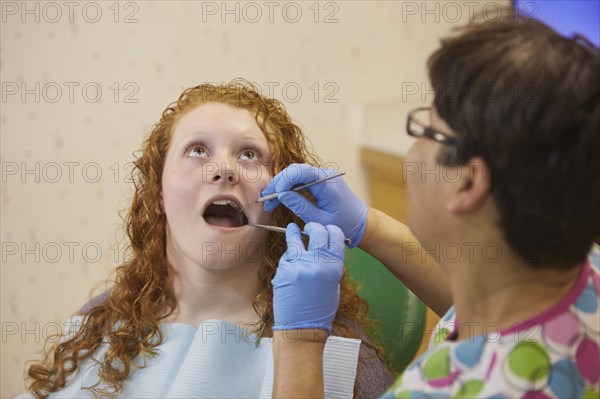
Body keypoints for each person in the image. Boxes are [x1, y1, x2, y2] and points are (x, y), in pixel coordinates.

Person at [267, 13, 600, 398]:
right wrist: (367, 226)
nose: (411, 154)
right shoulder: (584, 269)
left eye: (425, 130)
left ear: (469, 182)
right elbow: (485, 309)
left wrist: (300, 344)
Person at [20, 80, 393, 398]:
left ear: (280, 201)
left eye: (249, 155)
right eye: (198, 150)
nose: (224, 170)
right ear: (157, 195)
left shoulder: (342, 356)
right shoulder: (102, 322)